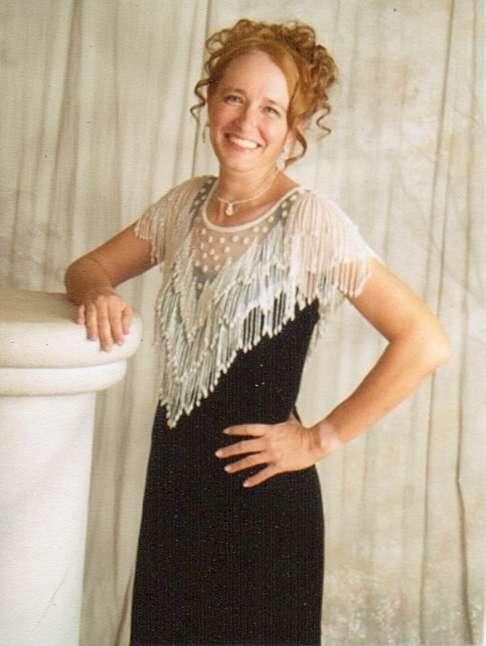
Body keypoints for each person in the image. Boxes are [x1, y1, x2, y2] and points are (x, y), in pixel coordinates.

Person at [64, 18, 450, 646]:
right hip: (175, 491)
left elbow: (424, 340)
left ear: (295, 128)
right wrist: (98, 291)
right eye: (234, 98)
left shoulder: (309, 221)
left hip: (263, 503)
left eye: (272, 108)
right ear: (210, 102)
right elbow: (86, 268)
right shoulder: (184, 206)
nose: (247, 121)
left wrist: (319, 438)